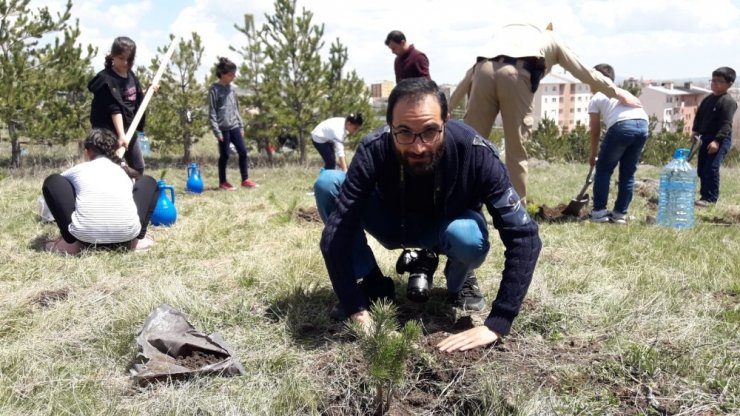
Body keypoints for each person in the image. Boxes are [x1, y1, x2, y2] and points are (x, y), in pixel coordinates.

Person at [314, 78, 542, 353]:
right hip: (393, 224)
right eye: (404, 133)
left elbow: (524, 236)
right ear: (389, 127)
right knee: (329, 183)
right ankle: (373, 283)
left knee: (467, 237)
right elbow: (336, 234)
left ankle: (460, 281)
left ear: (445, 120)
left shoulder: (475, 153)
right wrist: (356, 311)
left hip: (449, 229)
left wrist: (498, 322)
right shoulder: (374, 149)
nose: (418, 147)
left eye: (430, 131)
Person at [449, 23, 642, 203]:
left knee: (471, 146)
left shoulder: (506, 35)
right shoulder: (552, 39)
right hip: (515, 75)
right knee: (515, 152)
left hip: (482, 71)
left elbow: (471, 73)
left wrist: (446, 109)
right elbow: (584, 71)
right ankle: (516, 214)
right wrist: (616, 92)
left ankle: (460, 205)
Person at [41, 129, 158, 255]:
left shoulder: (79, 169)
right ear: (113, 151)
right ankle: (137, 240)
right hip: (126, 238)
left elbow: (57, 187)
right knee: (148, 181)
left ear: (87, 152)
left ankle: (70, 244)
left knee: (52, 181)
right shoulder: (123, 172)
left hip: (84, 238)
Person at [587, 64, 649, 224]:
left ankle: (599, 212)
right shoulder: (624, 92)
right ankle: (620, 214)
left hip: (622, 126)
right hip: (642, 125)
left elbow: (595, 131)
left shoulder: (597, 97)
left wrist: (593, 155)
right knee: (628, 173)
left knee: (603, 169)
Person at [88, 36, 154, 179]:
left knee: (138, 166)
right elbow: (115, 109)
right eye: (121, 58)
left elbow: (133, 99)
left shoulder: (130, 75)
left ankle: (132, 195)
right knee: (113, 169)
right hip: (108, 133)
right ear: (113, 56)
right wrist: (121, 136)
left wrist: (148, 91)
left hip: (128, 128)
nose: (125, 63)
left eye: (129, 59)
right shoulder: (106, 80)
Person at [208, 57, 258, 190]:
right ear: (223, 74)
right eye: (231, 74)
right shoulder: (214, 89)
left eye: (234, 74)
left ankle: (245, 179)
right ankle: (223, 182)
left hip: (235, 126)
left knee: (243, 152)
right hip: (222, 128)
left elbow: (236, 108)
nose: (234, 77)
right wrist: (217, 131)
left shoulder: (232, 90)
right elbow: (212, 112)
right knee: (225, 155)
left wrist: (241, 125)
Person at [692, 66, 737, 207]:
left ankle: (711, 199)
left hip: (719, 139)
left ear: (729, 84)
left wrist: (717, 141)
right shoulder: (708, 99)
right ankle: (704, 196)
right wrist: (695, 131)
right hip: (704, 139)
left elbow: (726, 124)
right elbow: (699, 117)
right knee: (702, 168)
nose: (715, 83)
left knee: (711, 168)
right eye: (713, 80)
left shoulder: (728, 102)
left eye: (719, 81)